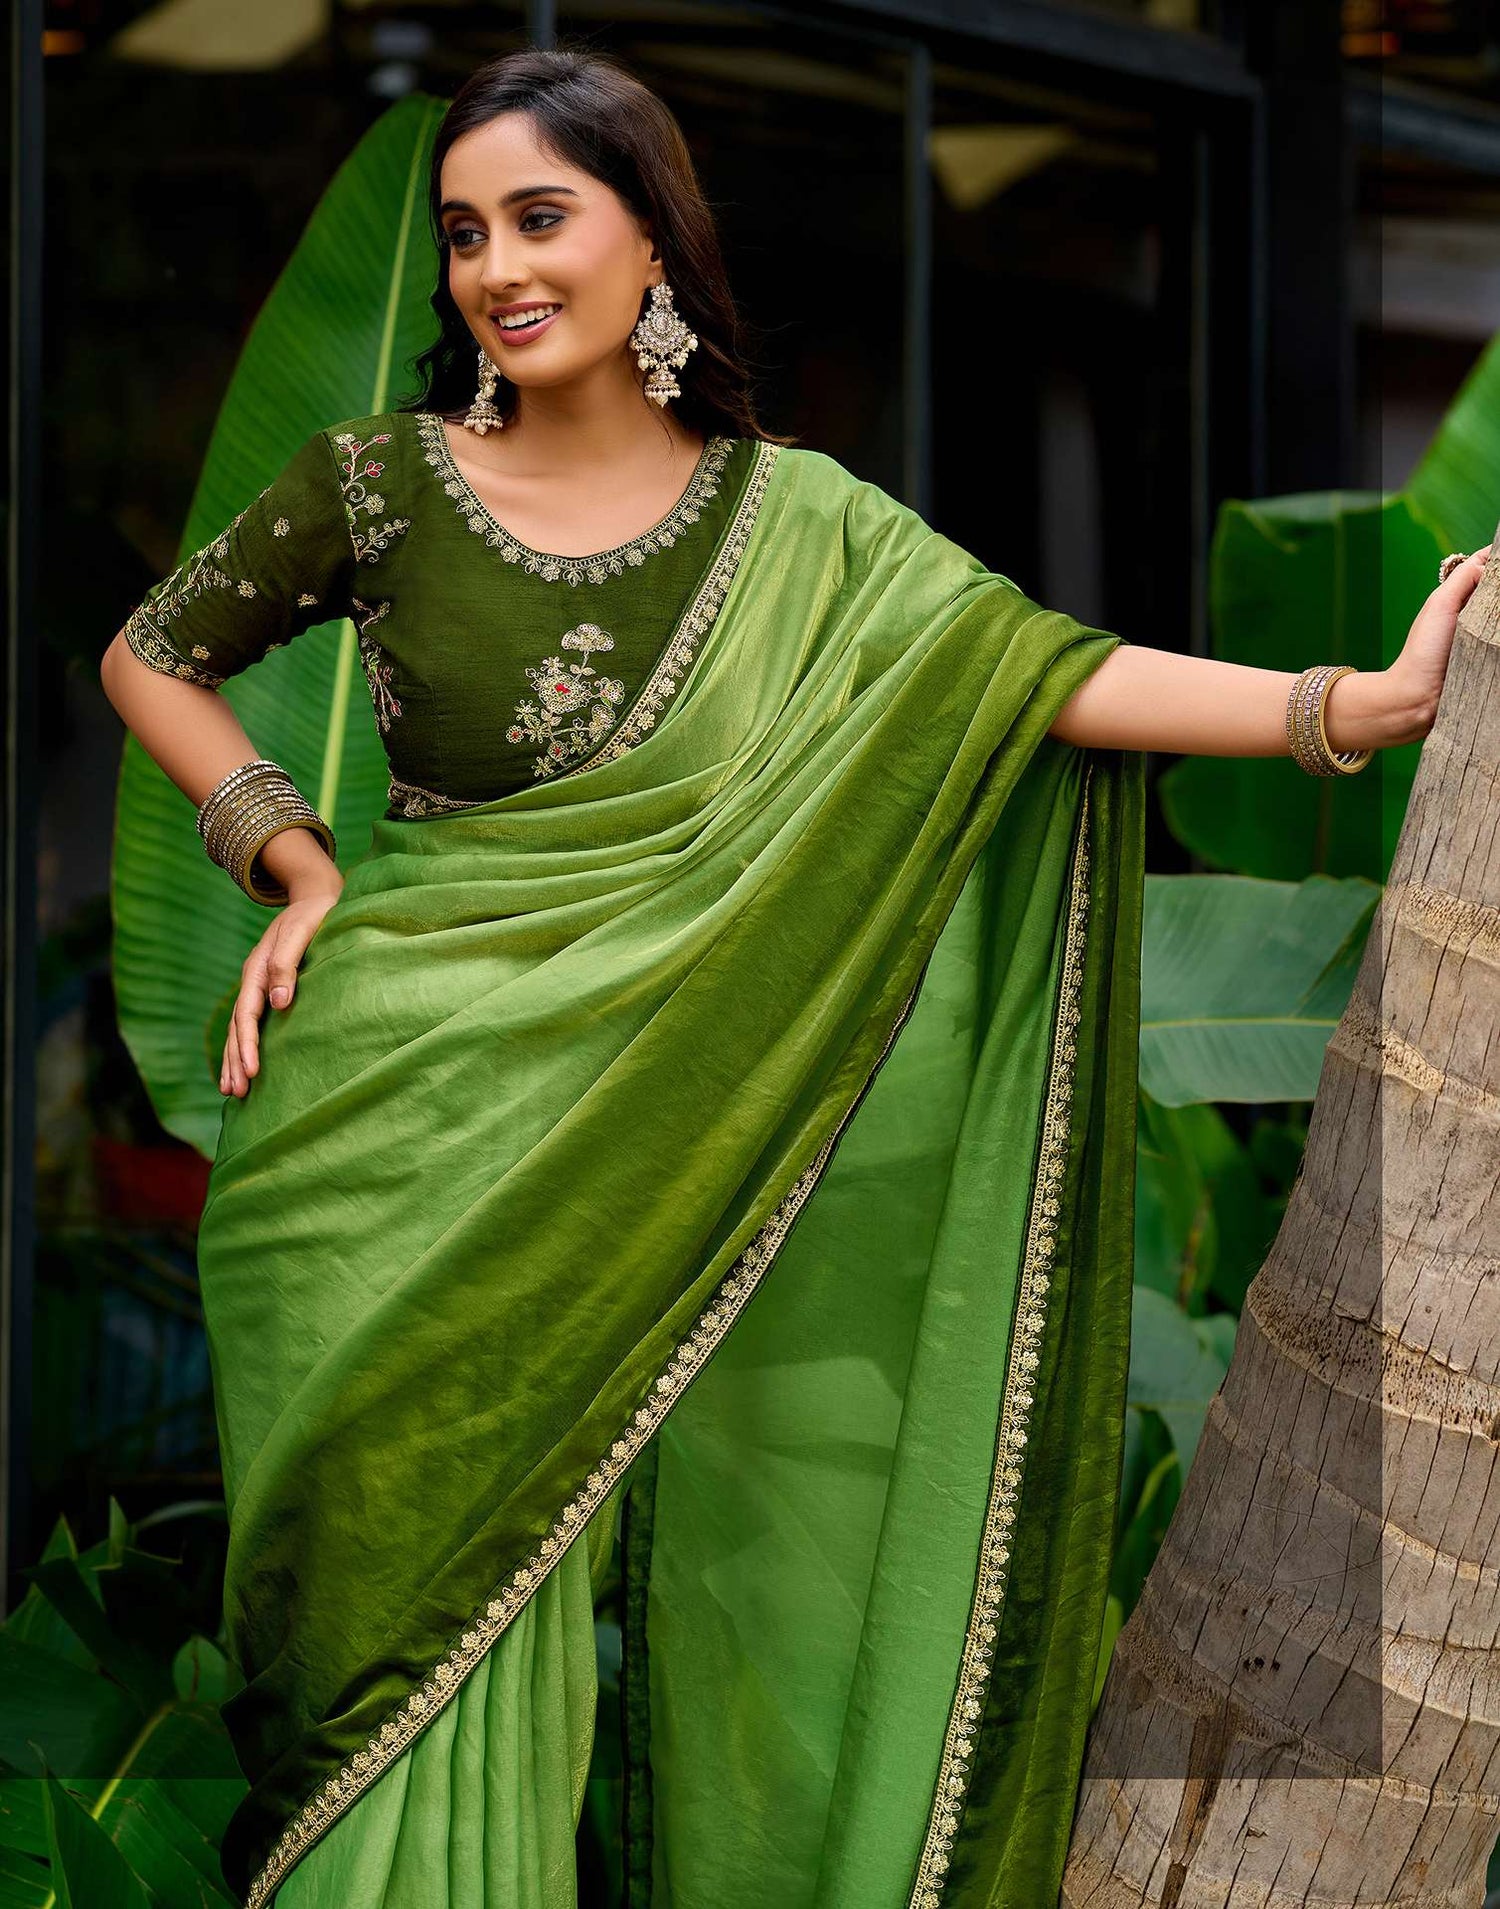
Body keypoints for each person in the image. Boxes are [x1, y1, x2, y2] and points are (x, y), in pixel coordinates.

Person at [98, 46, 1486, 1909]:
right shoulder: (376, 482)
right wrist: (290, 844)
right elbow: (152, 653)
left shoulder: (802, 527)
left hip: (667, 1111)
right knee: (396, 1673)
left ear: (652, 242)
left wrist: (1347, 708)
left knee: (771, 1554)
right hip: (376, 1133)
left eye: (540, 215)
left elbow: (1037, 673)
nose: (496, 266)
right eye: (461, 233)